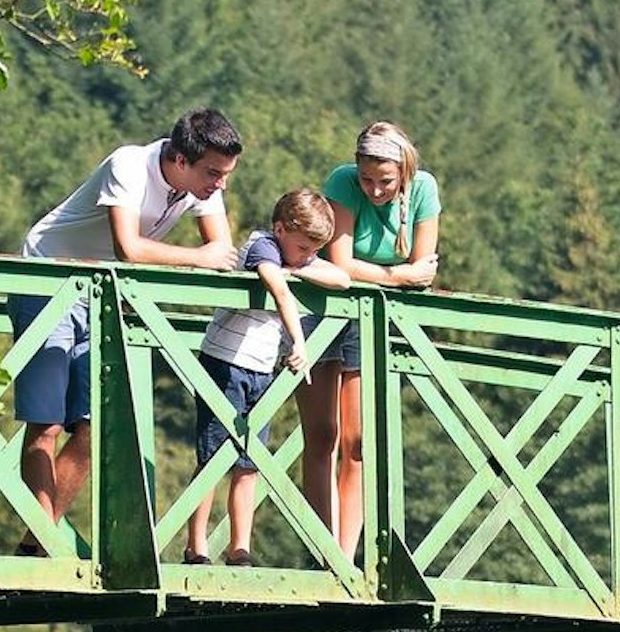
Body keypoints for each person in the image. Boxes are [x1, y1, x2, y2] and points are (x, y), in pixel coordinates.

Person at [13, 109, 243, 532]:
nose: (221, 183)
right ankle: (46, 544)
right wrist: (197, 259)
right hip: (48, 277)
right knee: (45, 424)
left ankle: (37, 540)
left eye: (226, 174)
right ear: (179, 161)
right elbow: (129, 248)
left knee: (90, 427)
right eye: (213, 172)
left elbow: (223, 251)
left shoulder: (204, 187)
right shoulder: (130, 164)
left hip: (99, 294)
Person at [299, 120, 441, 557]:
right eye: (367, 180)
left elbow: (426, 267)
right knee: (322, 433)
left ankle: (345, 553)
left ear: (403, 173)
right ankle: (322, 549)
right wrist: (395, 276)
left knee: (358, 441)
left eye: (384, 181)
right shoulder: (342, 182)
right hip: (323, 308)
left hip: (369, 318)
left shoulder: (424, 190)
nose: (374, 190)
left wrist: (394, 277)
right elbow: (340, 264)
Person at [183, 189, 327, 566]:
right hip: (225, 362)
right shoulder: (261, 247)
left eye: (314, 250)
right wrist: (299, 340)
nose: (308, 255)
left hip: (262, 369)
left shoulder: (293, 255)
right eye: (302, 247)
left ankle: (239, 547)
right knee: (212, 459)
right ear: (279, 229)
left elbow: (342, 278)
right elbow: (277, 289)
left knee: (249, 463)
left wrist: (302, 264)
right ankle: (196, 546)